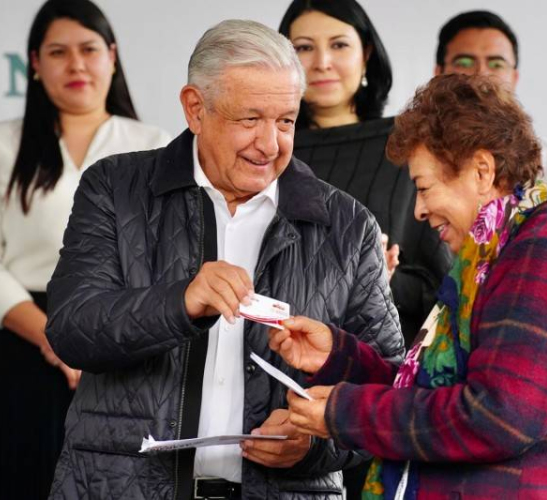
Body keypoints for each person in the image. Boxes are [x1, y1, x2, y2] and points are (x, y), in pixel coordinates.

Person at [44, 19, 404, 499]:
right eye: (250, 120)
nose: (270, 144)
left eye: (286, 121)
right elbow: (70, 328)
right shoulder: (115, 188)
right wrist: (180, 303)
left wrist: (315, 445)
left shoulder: (347, 224)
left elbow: (390, 390)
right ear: (195, 109)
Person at [267, 75, 547, 499]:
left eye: (424, 187)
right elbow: (434, 394)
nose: (417, 210)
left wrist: (342, 412)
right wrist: (339, 358)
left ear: (482, 171)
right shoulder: (492, 258)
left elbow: (496, 419)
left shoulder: (545, 254)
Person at [0, 0, 170, 497]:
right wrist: (53, 337)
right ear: (34, 63)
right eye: (58, 52)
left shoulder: (153, 146)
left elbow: (162, 264)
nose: (76, 64)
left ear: (112, 56)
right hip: (23, 343)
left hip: (119, 346)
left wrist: (104, 338)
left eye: (89, 49)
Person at [279, 0, 451, 347]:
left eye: (339, 45)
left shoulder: (409, 146)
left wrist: (381, 279)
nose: (322, 62)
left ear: (366, 54)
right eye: (304, 48)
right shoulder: (263, 148)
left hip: (379, 371)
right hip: (274, 354)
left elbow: (439, 291)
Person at [435, 10, 547, 238]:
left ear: (514, 77)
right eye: (464, 62)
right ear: (438, 73)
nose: (481, 74)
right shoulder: (416, 161)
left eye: (496, 64)